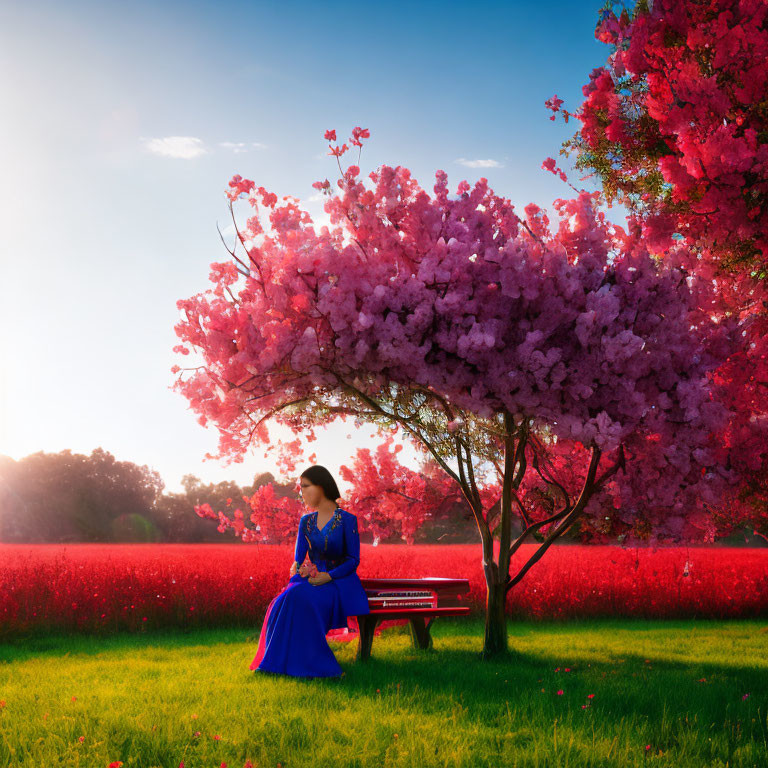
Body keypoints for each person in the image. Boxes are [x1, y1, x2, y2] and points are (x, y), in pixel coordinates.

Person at [250, 465, 370, 679]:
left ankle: (311, 663)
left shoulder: (348, 521)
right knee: (281, 601)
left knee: (298, 597)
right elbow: (298, 558)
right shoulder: (306, 522)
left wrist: (328, 576)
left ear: (321, 487)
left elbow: (353, 560)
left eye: (306, 486)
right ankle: (275, 662)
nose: (301, 492)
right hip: (311, 580)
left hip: (338, 582)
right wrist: (298, 568)